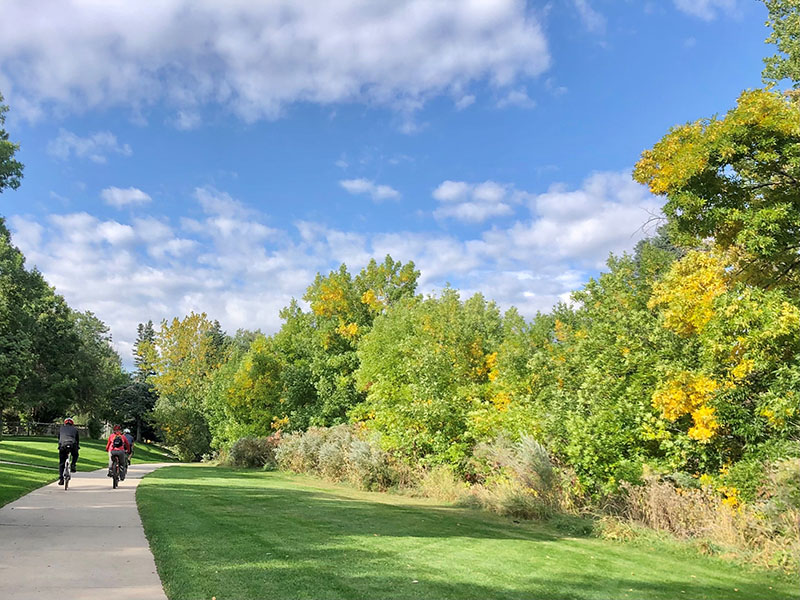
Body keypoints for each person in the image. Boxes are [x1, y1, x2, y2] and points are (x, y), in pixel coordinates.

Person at [58, 417, 80, 485]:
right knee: (75, 454)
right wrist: (77, 446)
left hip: (63, 445)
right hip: (72, 444)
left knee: (62, 462)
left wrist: (59, 445)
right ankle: (73, 465)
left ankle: (61, 478)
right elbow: (77, 440)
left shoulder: (61, 429)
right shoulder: (75, 430)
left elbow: (59, 438)